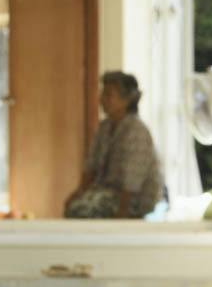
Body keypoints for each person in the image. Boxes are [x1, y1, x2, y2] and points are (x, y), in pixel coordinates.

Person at [63, 71, 163, 219]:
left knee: (81, 210)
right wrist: (78, 192)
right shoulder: (104, 127)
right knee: (74, 206)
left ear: (126, 100)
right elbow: (91, 165)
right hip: (107, 193)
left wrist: (122, 212)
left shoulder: (136, 131)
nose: (102, 99)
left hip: (133, 199)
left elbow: (132, 179)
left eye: (108, 95)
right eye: (102, 94)